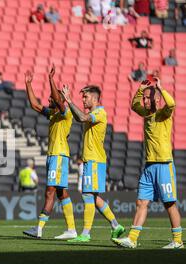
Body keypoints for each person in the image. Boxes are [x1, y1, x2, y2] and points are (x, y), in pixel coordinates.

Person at [113, 78, 183, 249]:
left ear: (157, 99)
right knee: (141, 202)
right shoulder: (146, 114)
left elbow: (172, 105)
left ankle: (178, 241)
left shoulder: (163, 114)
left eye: (147, 98)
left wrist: (161, 88)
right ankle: (132, 238)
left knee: (169, 204)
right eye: (143, 98)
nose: (144, 101)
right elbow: (133, 105)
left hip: (164, 164)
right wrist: (140, 89)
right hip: (149, 166)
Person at [61, 85, 125, 243]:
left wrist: (69, 100)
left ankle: (86, 233)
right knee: (94, 197)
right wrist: (69, 103)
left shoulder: (100, 113)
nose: (83, 100)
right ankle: (116, 226)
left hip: (94, 160)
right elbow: (79, 117)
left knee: (87, 195)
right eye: (82, 97)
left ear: (95, 99)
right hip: (92, 159)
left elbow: (82, 118)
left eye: (86, 97)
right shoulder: (91, 113)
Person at [22, 66, 77, 240]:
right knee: (61, 193)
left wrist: (51, 79)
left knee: (50, 191)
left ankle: (38, 228)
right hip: (53, 156)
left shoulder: (65, 113)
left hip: (59, 156)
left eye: (52, 98)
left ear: (60, 100)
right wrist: (28, 84)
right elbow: (35, 105)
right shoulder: (53, 114)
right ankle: (72, 229)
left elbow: (58, 100)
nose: (48, 99)